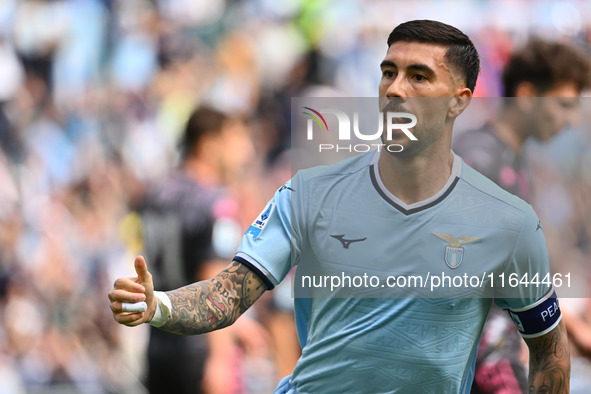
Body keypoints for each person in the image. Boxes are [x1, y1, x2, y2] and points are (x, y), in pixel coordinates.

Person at [109, 20, 570, 393]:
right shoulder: (308, 193)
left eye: (418, 76)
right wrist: (160, 305)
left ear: (459, 102)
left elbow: (549, 349)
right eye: (389, 72)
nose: (395, 88)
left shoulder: (509, 221)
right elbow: (227, 296)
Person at [453, 39, 590, 394]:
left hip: (501, 352)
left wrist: (569, 327)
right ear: (527, 95)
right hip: (479, 362)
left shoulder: (516, 160)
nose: (570, 120)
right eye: (563, 105)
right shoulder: (478, 159)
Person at [127, 106, 262, 393]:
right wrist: (220, 360)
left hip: (159, 346)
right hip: (200, 348)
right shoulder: (216, 203)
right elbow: (215, 284)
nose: (244, 152)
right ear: (209, 146)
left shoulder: (155, 196)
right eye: (233, 141)